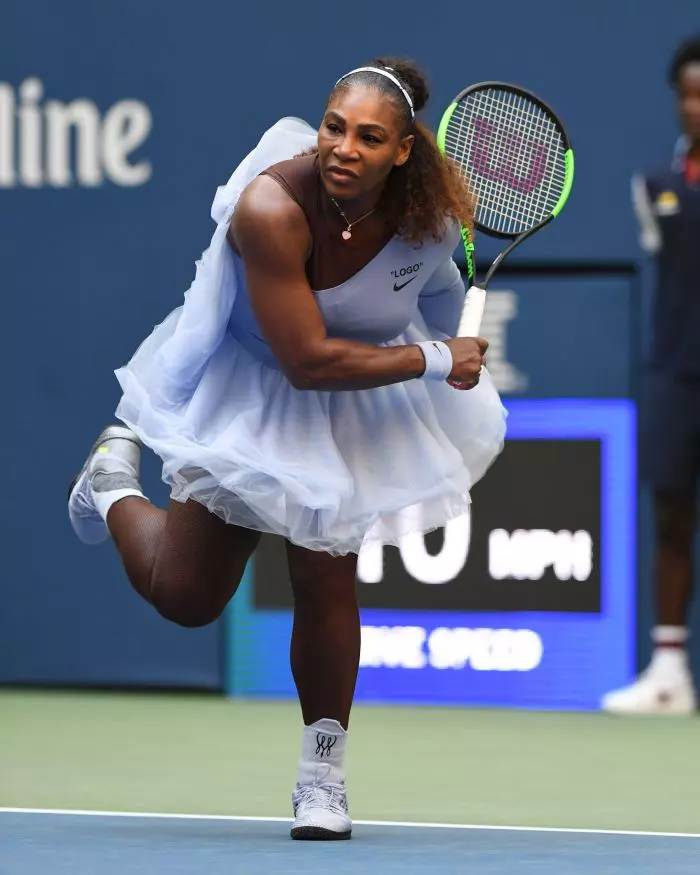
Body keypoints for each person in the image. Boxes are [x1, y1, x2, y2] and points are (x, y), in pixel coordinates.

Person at [68, 58, 507, 835]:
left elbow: (439, 303)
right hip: (260, 381)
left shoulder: (431, 220)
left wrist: (455, 343)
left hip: (357, 392)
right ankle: (111, 481)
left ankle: (322, 778)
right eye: (334, 126)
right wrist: (437, 360)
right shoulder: (269, 206)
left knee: (325, 570)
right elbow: (305, 362)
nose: (343, 147)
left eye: (369, 137)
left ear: (403, 152)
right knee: (187, 597)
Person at [602, 36, 700, 715]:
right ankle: (669, 673)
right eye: (689, 93)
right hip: (677, 371)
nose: (698, 106)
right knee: (670, 514)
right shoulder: (654, 187)